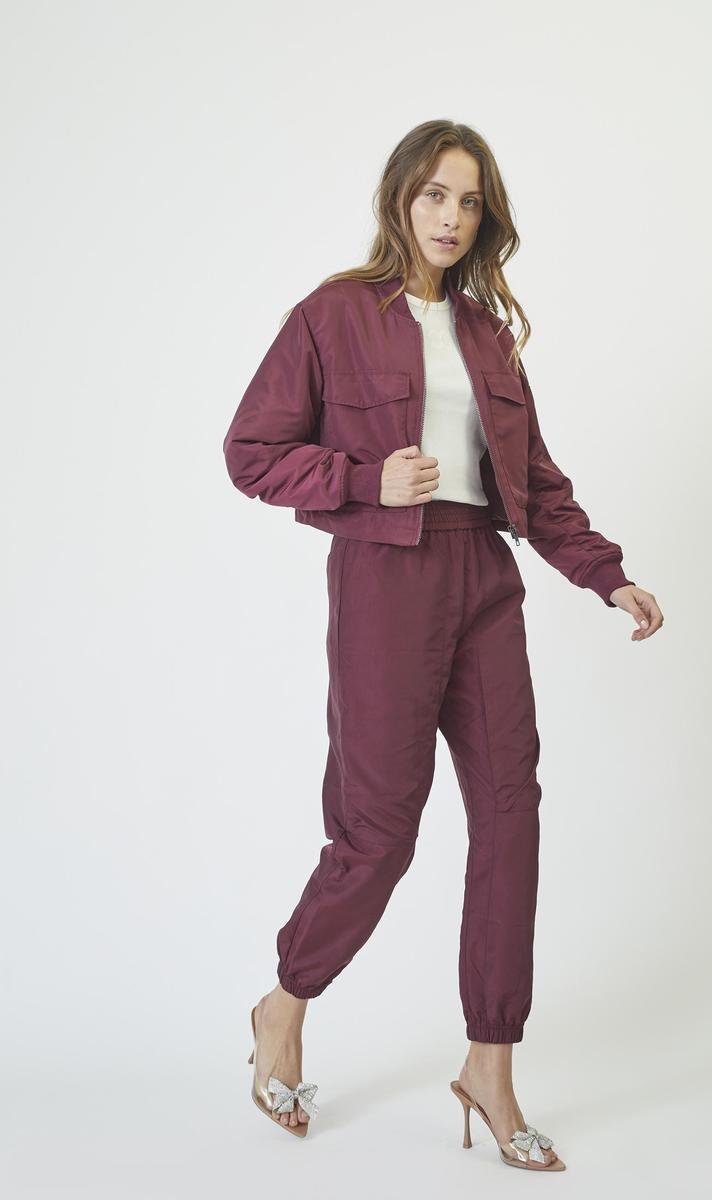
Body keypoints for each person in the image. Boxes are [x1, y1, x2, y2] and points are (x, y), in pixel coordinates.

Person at [223, 119, 663, 1172]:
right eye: (434, 195)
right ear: (399, 199)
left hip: (484, 581)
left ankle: (490, 1066)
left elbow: (536, 485)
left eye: (469, 201)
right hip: (386, 578)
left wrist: (605, 573)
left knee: (512, 814)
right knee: (379, 830)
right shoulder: (332, 314)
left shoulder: (486, 335)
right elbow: (251, 452)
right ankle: (285, 1002)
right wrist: (361, 480)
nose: (451, 217)